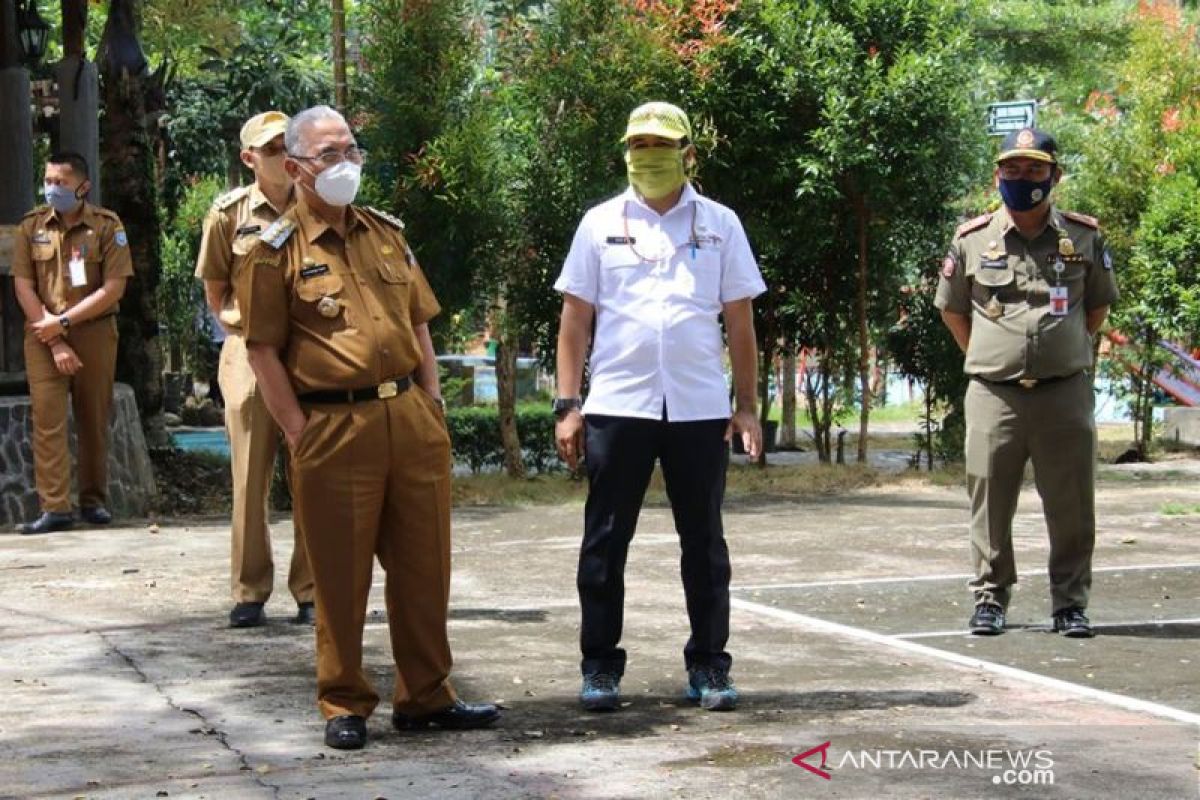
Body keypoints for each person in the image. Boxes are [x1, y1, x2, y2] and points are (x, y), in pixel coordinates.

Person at [236, 105, 499, 750]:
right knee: (340, 573)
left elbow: (418, 324)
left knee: (423, 566)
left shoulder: (386, 234)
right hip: (332, 424)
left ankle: (427, 696)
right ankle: (344, 701)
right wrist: (297, 431)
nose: (346, 163)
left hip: (408, 418)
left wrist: (432, 405)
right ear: (296, 168)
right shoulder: (273, 253)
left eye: (351, 149)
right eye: (330, 154)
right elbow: (262, 349)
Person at [553, 101, 765, 712]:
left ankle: (709, 665)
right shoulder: (598, 223)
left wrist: (746, 406)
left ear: (688, 153)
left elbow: (740, 322)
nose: (650, 156)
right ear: (625, 153)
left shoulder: (720, 224)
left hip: (699, 408)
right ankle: (599, 666)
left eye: (662, 145)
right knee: (604, 541)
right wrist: (569, 405)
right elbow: (575, 322)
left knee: (703, 543)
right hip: (618, 405)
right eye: (639, 146)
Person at [936, 127, 1119, 639]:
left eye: (1034, 169)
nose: (1021, 178)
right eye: (1011, 169)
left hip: (1064, 392)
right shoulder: (973, 240)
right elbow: (954, 311)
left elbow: (1097, 307)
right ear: (998, 175)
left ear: (1054, 176)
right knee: (989, 503)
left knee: (1071, 505)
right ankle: (990, 599)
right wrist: (989, 354)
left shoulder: (1083, 237)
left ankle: (1070, 604)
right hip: (995, 394)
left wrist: (1061, 348)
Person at [195, 111, 316, 629]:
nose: (282, 156)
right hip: (249, 352)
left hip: (310, 350)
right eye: (270, 150)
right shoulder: (228, 214)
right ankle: (249, 590)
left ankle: (312, 589)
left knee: (313, 468)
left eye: (287, 146)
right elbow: (215, 295)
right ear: (249, 159)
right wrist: (245, 332)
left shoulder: (318, 204)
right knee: (249, 476)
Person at [11, 152, 132, 534]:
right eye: (48, 180)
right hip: (42, 333)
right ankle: (55, 508)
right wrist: (52, 332)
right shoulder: (31, 226)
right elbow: (23, 284)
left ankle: (93, 501)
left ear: (83, 187)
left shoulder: (108, 227)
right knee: (47, 419)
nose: (52, 189)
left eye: (61, 183)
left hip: (93, 332)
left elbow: (114, 288)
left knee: (93, 418)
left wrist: (64, 322)